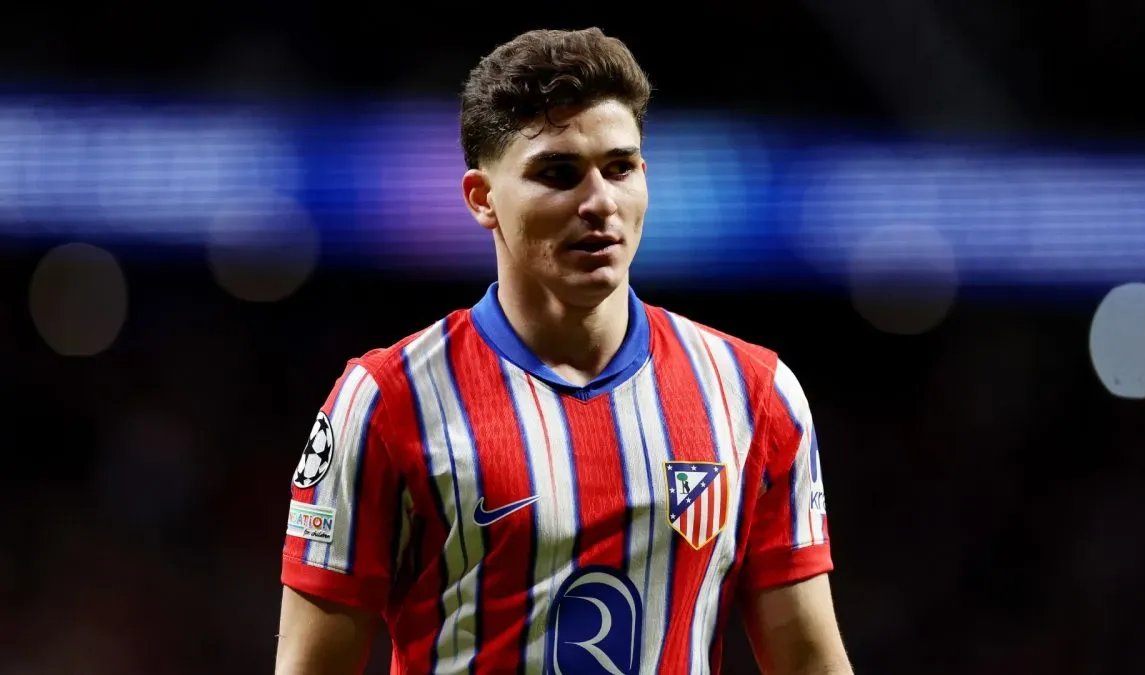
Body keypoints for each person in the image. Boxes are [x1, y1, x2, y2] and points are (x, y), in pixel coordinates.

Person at [275, 27, 853, 675]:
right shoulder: (386, 400)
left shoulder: (755, 394)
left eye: (619, 166)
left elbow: (807, 658)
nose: (599, 201)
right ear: (481, 198)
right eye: (558, 173)